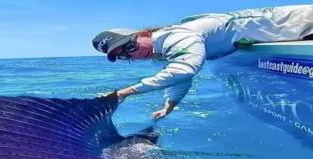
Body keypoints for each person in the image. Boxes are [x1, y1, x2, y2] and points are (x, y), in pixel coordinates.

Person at [93, 5, 313, 119]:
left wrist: (122, 93)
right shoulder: (168, 47)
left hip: (304, 24)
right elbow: (178, 74)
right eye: (124, 55)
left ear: (141, 34)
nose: (133, 54)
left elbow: (184, 70)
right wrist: (169, 106)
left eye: (130, 46)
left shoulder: (177, 36)